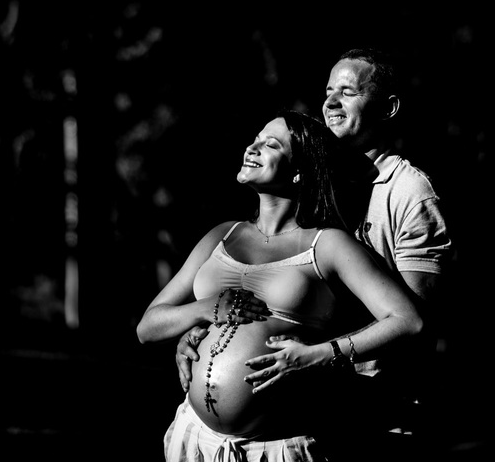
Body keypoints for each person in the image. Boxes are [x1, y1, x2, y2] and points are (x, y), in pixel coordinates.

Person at [176, 49, 452, 455]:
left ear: (388, 108)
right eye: (328, 91)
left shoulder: (409, 193)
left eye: (348, 92)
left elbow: (413, 326)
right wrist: (210, 335)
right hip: (307, 411)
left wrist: (319, 357)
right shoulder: (314, 181)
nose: (331, 102)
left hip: (375, 417)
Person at [137, 110, 424, 461]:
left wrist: (320, 355)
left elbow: (408, 320)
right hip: (195, 437)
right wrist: (204, 310)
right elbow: (147, 328)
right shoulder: (222, 235)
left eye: (271, 145)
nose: (252, 148)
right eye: (255, 140)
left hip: (278, 446)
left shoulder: (327, 244)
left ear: (300, 170)